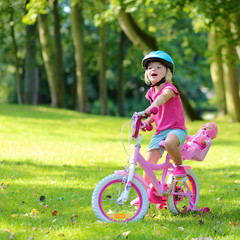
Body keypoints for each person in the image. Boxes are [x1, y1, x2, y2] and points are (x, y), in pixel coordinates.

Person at [141, 50, 188, 181]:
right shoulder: (150, 92)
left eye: (158, 67)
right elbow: (156, 112)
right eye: (150, 68)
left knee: (169, 143)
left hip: (176, 129)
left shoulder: (169, 89)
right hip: (159, 131)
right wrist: (147, 122)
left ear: (167, 72)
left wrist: (151, 106)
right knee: (147, 164)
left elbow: (163, 98)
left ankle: (179, 166)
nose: (153, 70)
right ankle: (146, 193)